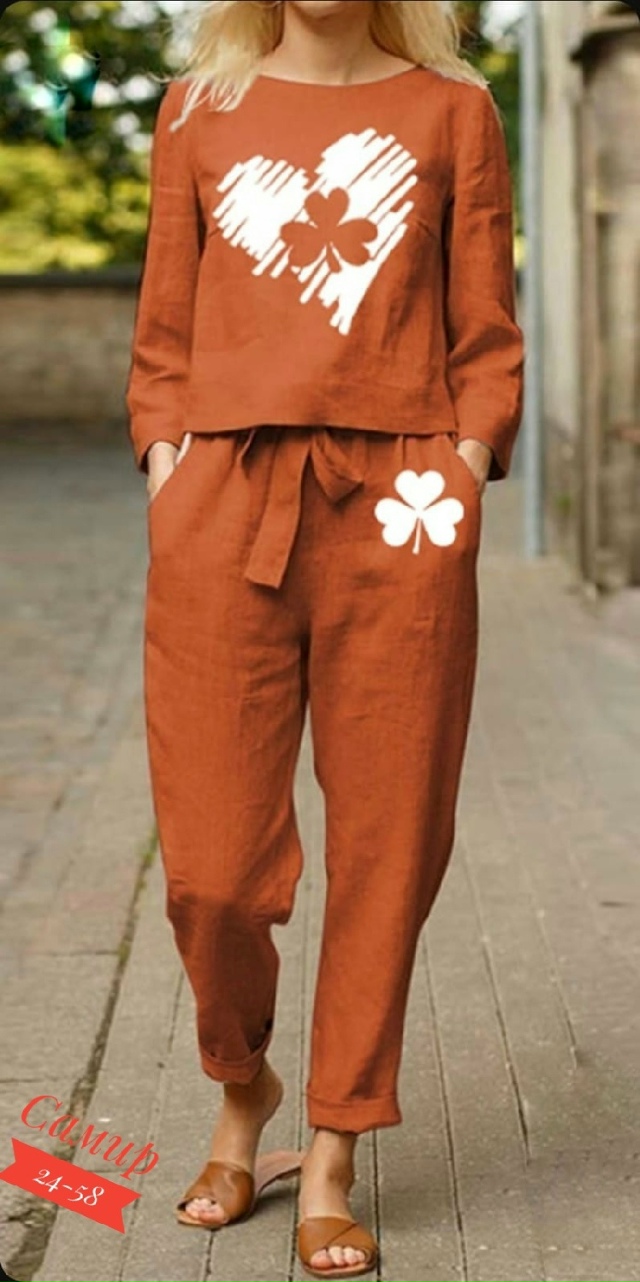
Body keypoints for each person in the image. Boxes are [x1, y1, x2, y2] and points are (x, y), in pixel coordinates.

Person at [125, 1, 525, 1275]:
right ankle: (241, 1086)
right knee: (211, 869)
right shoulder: (199, 112)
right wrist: (168, 465)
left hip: (402, 511)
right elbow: (163, 333)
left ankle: (337, 1147)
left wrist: (463, 466)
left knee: (388, 846)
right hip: (223, 503)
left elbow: (485, 330)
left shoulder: (452, 111)